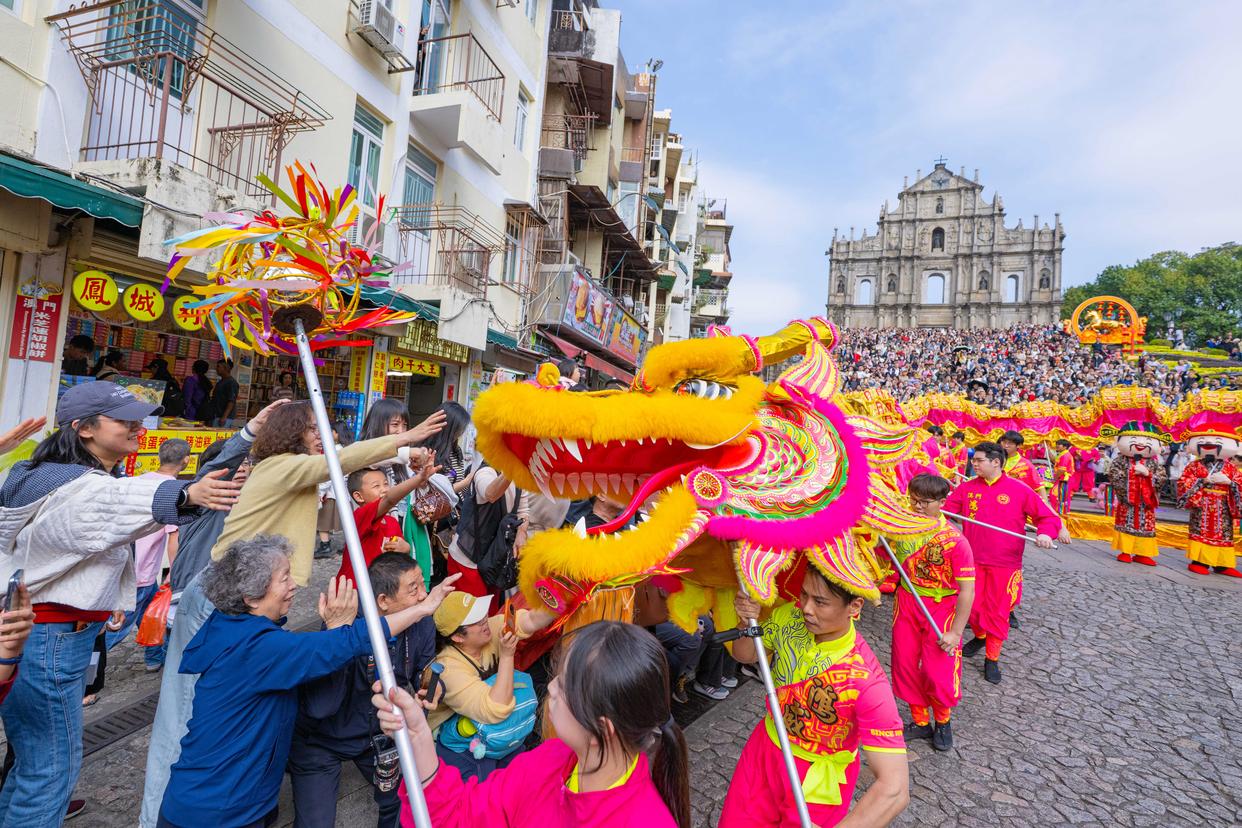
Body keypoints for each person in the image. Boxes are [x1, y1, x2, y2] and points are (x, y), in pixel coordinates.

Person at [0, 382, 240, 827]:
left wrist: (107, 595)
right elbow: (111, 504)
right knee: (50, 770)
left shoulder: (45, 472)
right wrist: (185, 495)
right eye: (123, 420)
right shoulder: (78, 485)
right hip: (51, 638)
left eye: (138, 419)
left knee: (32, 760)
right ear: (84, 428)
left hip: (45, 633)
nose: (137, 428)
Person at [156, 534, 460, 828]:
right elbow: (350, 643)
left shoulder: (234, 627)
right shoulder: (259, 648)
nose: (295, 585)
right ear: (251, 597)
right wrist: (417, 610)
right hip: (217, 810)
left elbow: (413, 663)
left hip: (233, 799)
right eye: (284, 578)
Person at [372, 620, 690, 828]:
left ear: (601, 729)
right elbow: (462, 816)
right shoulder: (550, 759)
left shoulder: (646, 820)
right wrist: (419, 737)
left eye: (563, 686)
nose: (550, 688)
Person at [139, 403, 286, 828]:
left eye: (250, 469)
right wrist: (248, 432)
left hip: (227, 620)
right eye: (239, 470)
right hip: (197, 613)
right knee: (180, 717)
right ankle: (157, 816)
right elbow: (217, 471)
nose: (244, 475)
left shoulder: (246, 508)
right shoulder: (205, 505)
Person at [721, 566, 909, 827]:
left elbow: (894, 789)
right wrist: (746, 621)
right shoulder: (788, 617)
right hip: (765, 750)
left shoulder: (866, 680)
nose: (806, 608)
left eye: (820, 602)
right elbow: (745, 655)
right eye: (804, 594)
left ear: (854, 606)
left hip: (818, 780)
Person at [209, 400, 445, 589]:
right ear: (291, 432)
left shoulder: (289, 465)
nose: (321, 435)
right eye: (313, 429)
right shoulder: (282, 465)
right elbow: (342, 459)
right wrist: (406, 440)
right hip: (234, 581)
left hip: (253, 579)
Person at [288, 554, 440, 828]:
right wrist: (335, 633)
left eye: (422, 584)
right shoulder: (344, 623)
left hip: (376, 735)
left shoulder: (422, 621)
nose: (424, 595)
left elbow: (424, 671)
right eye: (413, 588)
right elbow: (322, 706)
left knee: (403, 801)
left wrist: (432, 689)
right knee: (315, 823)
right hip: (321, 740)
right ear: (383, 601)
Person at [946, 442, 1068, 684]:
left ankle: (992, 659)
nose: (974, 464)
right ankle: (980, 637)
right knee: (972, 609)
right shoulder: (967, 488)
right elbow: (946, 511)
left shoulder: (1019, 490)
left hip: (1004, 563)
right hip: (972, 560)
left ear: (996, 462)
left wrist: (1045, 534)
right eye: (973, 460)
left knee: (998, 611)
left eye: (979, 460)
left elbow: (1046, 517)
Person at [429, 591, 556, 780]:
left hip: (496, 733)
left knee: (517, 781)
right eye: (476, 621)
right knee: (485, 791)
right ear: (457, 638)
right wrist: (507, 655)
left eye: (482, 613)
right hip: (463, 746)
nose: (484, 621)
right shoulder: (449, 668)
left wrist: (558, 603)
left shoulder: (491, 627)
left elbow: (530, 620)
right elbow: (496, 709)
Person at [890, 474, 975, 751]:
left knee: (937, 669)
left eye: (925, 502)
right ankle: (919, 720)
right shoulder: (901, 528)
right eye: (913, 500)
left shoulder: (955, 541)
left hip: (942, 606)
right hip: (907, 601)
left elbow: (967, 591)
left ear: (941, 503)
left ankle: (942, 720)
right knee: (904, 662)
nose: (917, 507)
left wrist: (956, 632)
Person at [104, 438, 192, 671]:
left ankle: (154, 657)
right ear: (186, 460)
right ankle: (89, 665)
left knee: (152, 615)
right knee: (119, 627)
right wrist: (174, 572)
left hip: (128, 565)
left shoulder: (135, 481)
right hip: (141, 572)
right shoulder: (174, 492)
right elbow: (173, 538)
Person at [337, 463, 439, 588]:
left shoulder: (391, 521)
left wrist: (406, 548)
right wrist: (419, 478)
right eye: (376, 486)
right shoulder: (358, 517)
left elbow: (400, 550)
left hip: (382, 586)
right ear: (359, 496)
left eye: (386, 484)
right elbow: (389, 500)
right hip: (356, 588)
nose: (385, 489)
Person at [207, 358, 239, 427]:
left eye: (218, 366)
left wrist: (224, 417)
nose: (216, 369)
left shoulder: (231, 383)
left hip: (224, 418)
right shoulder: (220, 382)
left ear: (226, 368)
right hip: (216, 415)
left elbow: (231, 401)